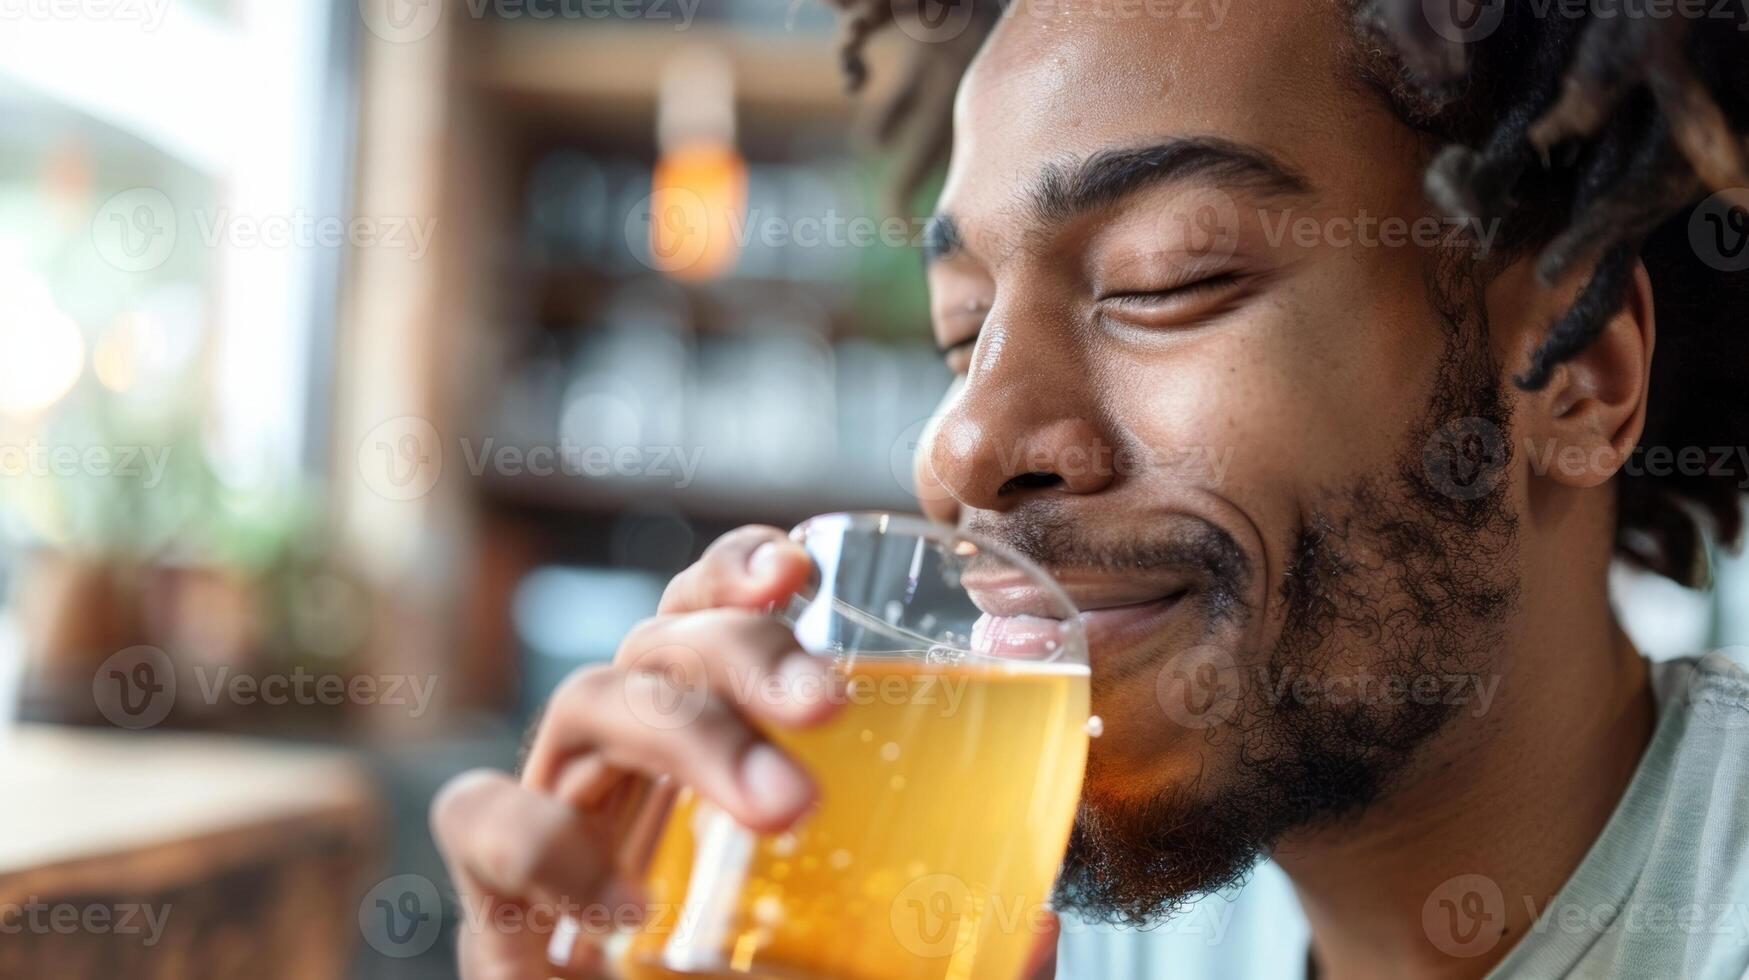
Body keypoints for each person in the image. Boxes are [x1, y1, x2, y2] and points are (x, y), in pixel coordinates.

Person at [430, 1, 1749, 976]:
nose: (958, 445)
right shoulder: (1046, 921)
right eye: (959, 332)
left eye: (1163, 281)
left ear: (1576, 378)